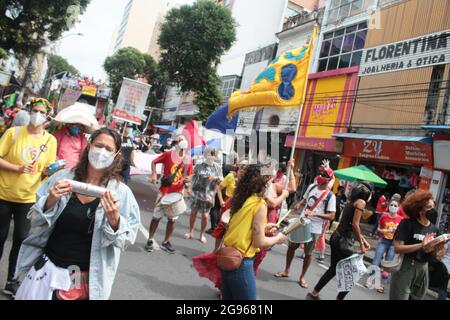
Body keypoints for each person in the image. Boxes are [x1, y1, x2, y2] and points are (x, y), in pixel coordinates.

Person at [14, 127, 140, 300]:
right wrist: (50, 201)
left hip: (79, 277)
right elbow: (35, 221)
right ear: (89, 146)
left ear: (117, 155)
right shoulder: (63, 178)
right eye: (98, 145)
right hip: (46, 268)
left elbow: (125, 240)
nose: (101, 152)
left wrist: (115, 221)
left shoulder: (121, 193)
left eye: (108, 149)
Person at [0, 97, 57, 297]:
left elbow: (45, 173)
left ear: (47, 116)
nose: (38, 115)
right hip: (3, 194)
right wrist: (17, 168)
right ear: (30, 111)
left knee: (21, 240)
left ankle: (11, 280)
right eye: (36, 110)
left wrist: (52, 170)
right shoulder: (13, 133)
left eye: (42, 112)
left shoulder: (50, 141)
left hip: (28, 198)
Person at [219, 164, 286, 300]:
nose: (270, 184)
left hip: (226, 256)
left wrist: (265, 227)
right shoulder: (259, 204)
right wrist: (277, 239)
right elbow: (260, 241)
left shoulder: (241, 198)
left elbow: (242, 224)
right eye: (269, 180)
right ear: (264, 182)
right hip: (241, 262)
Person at [307, 181, 373, 300]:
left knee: (333, 269)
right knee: (351, 274)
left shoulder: (351, 202)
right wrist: (362, 245)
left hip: (336, 237)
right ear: (368, 192)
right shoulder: (361, 202)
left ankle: (314, 293)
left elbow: (348, 224)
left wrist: (362, 239)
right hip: (344, 241)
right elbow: (355, 225)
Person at [274, 162, 336, 288]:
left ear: (328, 179)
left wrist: (315, 214)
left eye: (324, 174)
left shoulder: (330, 196)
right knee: (291, 246)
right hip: (301, 222)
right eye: (320, 173)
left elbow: (332, 216)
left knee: (308, 253)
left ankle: (302, 277)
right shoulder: (312, 187)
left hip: (315, 228)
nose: (320, 175)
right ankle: (286, 270)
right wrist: (299, 203)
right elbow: (305, 198)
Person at [389, 190, 446, 300]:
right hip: (406, 267)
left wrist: (439, 250)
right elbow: (398, 248)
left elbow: (436, 255)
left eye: (433, 207)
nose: (432, 211)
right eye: (429, 208)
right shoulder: (407, 224)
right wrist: (421, 245)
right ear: (420, 210)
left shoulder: (435, 229)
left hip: (424, 269)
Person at [144, 135, 193, 254]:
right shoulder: (168, 154)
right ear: (176, 143)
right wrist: (154, 174)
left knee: (172, 219)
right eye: (180, 140)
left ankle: (166, 241)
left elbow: (190, 174)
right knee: (156, 217)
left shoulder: (188, 159)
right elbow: (154, 162)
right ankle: (150, 239)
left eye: (184, 139)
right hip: (164, 191)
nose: (183, 141)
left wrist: (188, 181)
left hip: (177, 193)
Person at [184, 146, 222, 243]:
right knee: (193, 213)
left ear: (215, 156)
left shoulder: (217, 167)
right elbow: (193, 177)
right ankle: (190, 231)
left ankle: (202, 234)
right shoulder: (199, 165)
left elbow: (219, 183)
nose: (210, 155)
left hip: (208, 195)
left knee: (205, 216)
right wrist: (189, 188)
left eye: (212, 154)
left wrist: (213, 195)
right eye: (208, 153)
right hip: (196, 193)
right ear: (205, 154)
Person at [367, 199, 404, 293]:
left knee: (387, 265)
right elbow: (379, 228)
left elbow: (402, 232)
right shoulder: (383, 215)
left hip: (393, 243)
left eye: (396, 205)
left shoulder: (401, 219)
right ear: (388, 206)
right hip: (383, 241)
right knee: (376, 260)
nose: (393, 207)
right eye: (392, 205)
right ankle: (371, 281)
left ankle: (382, 285)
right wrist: (384, 231)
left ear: (398, 207)